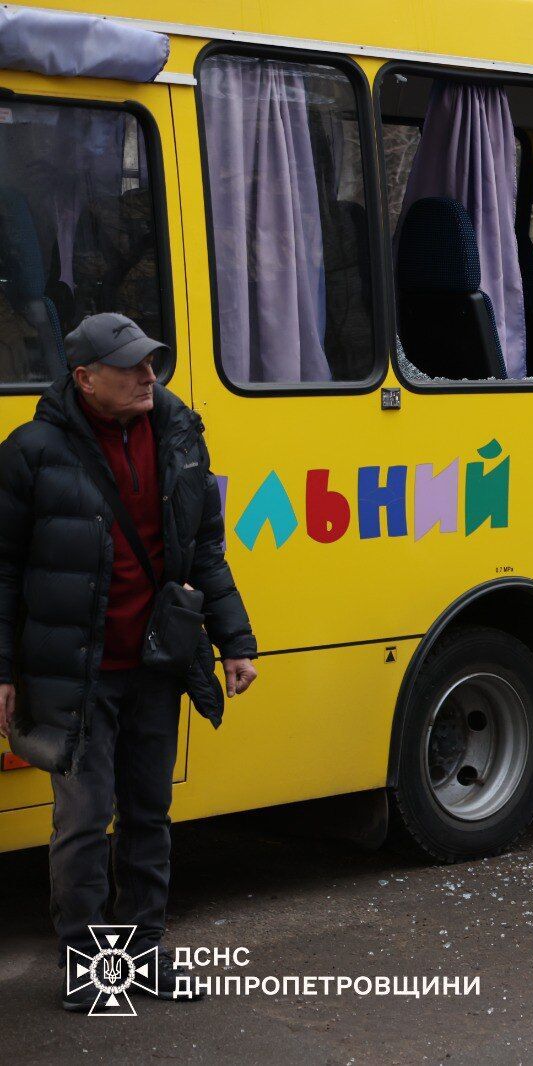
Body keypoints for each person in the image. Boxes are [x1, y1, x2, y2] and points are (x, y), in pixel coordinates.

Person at [0, 313, 258, 1013]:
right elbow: (4, 569)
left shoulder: (180, 435)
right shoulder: (30, 451)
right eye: (130, 367)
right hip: (73, 674)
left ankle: (144, 957)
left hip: (156, 664)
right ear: (84, 378)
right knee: (83, 824)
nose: (149, 376)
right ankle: (89, 969)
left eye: (152, 363)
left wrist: (234, 640)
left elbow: (205, 549)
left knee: (149, 813)